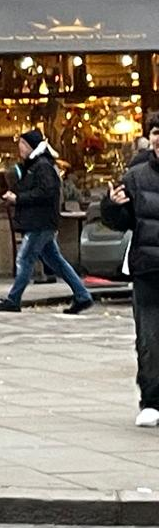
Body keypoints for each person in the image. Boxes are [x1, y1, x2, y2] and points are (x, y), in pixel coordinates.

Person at [0, 128, 96, 314]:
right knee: (56, 261)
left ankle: (14, 299)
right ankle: (83, 295)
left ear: (32, 146)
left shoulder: (42, 166)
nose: (20, 148)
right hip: (40, 221)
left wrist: (19, 198)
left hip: (40, 221)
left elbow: (46, 193)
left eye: (23, 144)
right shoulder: (33, 165)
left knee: (24, 258)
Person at [106, 113, 159, 426]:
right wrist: (112, 205)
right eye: (155, 133)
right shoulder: (136, 177)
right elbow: (120, 221)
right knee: (150, 338)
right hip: (149, 270)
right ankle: (151, 400)